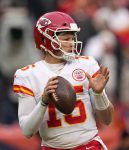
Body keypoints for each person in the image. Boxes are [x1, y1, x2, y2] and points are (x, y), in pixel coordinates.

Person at [13, 11, 114, 150]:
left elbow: (107, 120)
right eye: (66, 39)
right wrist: (43, 102)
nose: (72, 43)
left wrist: (99, 94)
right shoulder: (27, 75)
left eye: (73, 38)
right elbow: (27, 131)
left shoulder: (87, 64)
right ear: (45, 40)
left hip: (89, 145)